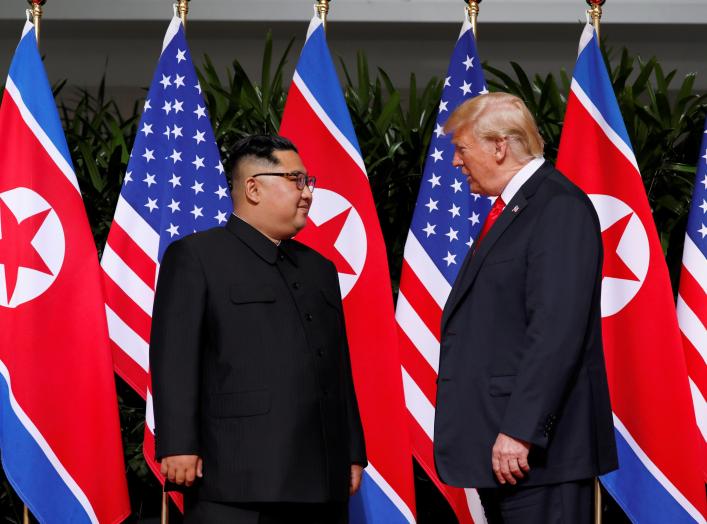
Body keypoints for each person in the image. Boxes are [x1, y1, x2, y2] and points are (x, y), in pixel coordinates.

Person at [150, 135, 366, 524]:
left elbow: (337, 367)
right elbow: (174, 357)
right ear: (253, 187)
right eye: (296, 180)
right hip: (235, 478)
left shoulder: (320, 268)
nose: (308, 193)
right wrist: (178, 443)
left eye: (309, 182)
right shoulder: (197, 256)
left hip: (322, 478)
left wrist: (351, 451)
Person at [433, 93, 618, 524]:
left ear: (500, 146)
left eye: (462, 149)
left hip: (538, 454)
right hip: (507, 453)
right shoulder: (515, 209)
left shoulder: (557, 207)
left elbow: (556, 332)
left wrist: (520, 429)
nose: (457, 163)